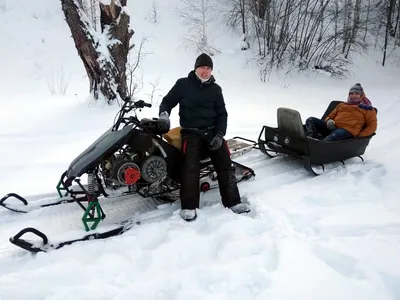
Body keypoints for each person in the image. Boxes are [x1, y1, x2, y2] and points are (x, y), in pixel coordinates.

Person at [157, 53, 250, 221]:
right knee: (190, 166)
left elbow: (222, 114)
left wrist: (220, 135)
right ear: (196, 68)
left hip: (212, 132)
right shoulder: (182, 84)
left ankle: (233, 202)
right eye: (202, 68)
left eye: (208, 68)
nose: (205, 71)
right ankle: (189, 207)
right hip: (191, 133)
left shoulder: (216, 89)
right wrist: (164, 115)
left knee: (225, 164)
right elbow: (167, 102)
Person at [305, 83, 377, 141]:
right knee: (310, 120)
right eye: (351, 93)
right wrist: (329, 120)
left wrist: (359, 136)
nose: (353, 95)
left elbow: (372, 126)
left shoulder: (367, 109)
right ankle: (311, 140)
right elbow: (330, 116)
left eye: (356, 93)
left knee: (334, 135)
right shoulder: (341, 105)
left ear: (361, 95)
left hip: (347, 131)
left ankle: (320, 147)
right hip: (333, 127)